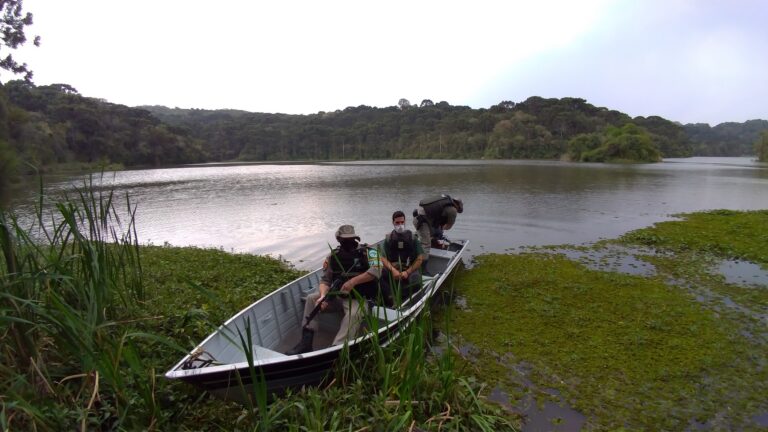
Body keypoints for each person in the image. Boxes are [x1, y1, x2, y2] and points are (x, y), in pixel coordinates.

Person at [287, 224, 382, 355]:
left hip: (359, 299)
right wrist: (323, 296)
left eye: (351, 238)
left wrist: (353, 282)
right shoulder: (332, 256)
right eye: (345, 239)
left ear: (356, 238)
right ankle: (306, 342)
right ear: (338, 239)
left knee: (354, 314)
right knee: (311, 299)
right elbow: (325, 280)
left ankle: (337, 348)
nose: (348, 242)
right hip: (338, 297)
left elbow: (377, 270)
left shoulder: (369, 251)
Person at [380, 210, 423, 303]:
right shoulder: (388, 238)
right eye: (397, 222)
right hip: (393, 268)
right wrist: (393, 270)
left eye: (402, 222)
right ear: (393, 223)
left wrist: (407, 272)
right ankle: (389, 297)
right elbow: (383, 258)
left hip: (409, 268)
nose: (400, 225)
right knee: (381, 275)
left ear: (405, 222)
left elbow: (420, 259)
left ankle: (406, 298)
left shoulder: (412, 237)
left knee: (416, 281)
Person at [412, 194, 463, 262]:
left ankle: (418, 242)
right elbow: (448, 226)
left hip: (418, 218)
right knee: (426, 244)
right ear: (458, 206)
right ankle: (422, 266)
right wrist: (440, 230)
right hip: (422, 222)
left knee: (428, 235)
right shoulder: (452, 210)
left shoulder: (443, 201)